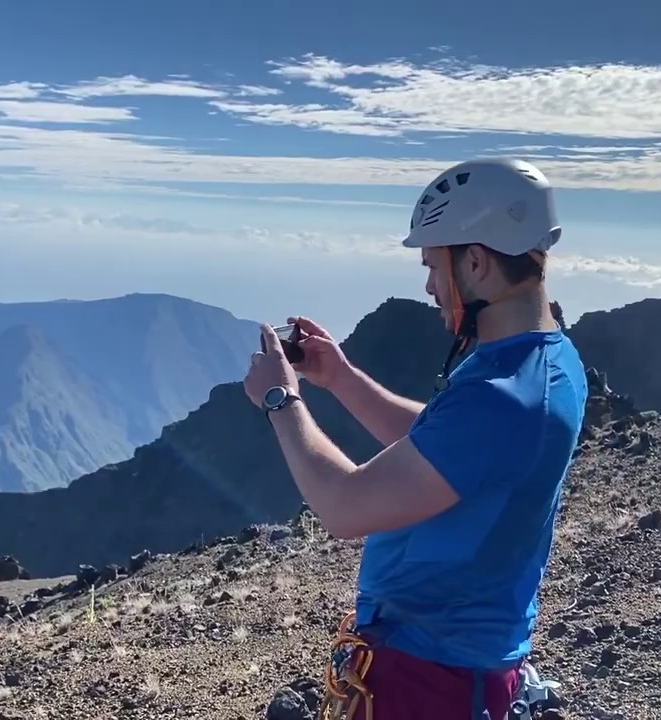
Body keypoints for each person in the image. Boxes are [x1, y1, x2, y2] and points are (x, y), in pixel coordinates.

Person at [243, 157, 588, 719]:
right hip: (453, 664)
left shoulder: (502, 396)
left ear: (475, 261)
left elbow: (343, 508)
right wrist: (341, 378)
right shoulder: (544, 362)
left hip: (430, 676)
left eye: (433, 265)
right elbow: (447, 445)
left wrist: (281, 401)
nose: (429, 286)